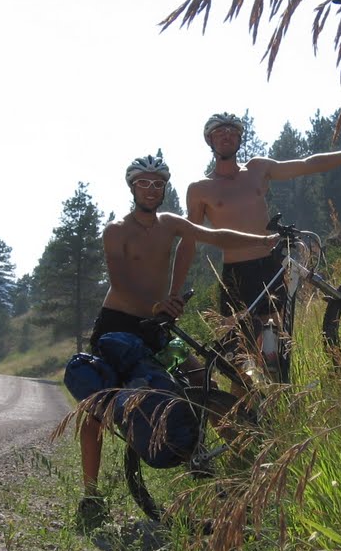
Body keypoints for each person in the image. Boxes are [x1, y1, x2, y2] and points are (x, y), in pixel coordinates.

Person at [73, 153, 277, 526]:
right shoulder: (116, 230)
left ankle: (243, 468)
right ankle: (91, 495)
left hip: (157, 323)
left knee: (203, 382)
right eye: (143, 183)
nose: (151, 190)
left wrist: (263, 239)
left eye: (158, 184)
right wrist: (156, 305)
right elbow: (121, 283)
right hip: (118, 326)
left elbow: (215, 235)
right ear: (132, 187)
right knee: (97, 410)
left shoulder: (169, 223)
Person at [170, 112, 341, 380]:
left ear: (240, 139)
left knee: (273, 352)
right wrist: (174, 292)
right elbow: (189, 241)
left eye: (232, 132)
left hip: (267, 267)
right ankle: (241, 416)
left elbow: (306, 164)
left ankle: (278, 405)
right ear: (209, 140)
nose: (226, 136)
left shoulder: (258, 169)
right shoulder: (200, 189)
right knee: (239, 361)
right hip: (235, 275)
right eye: (219, 132)